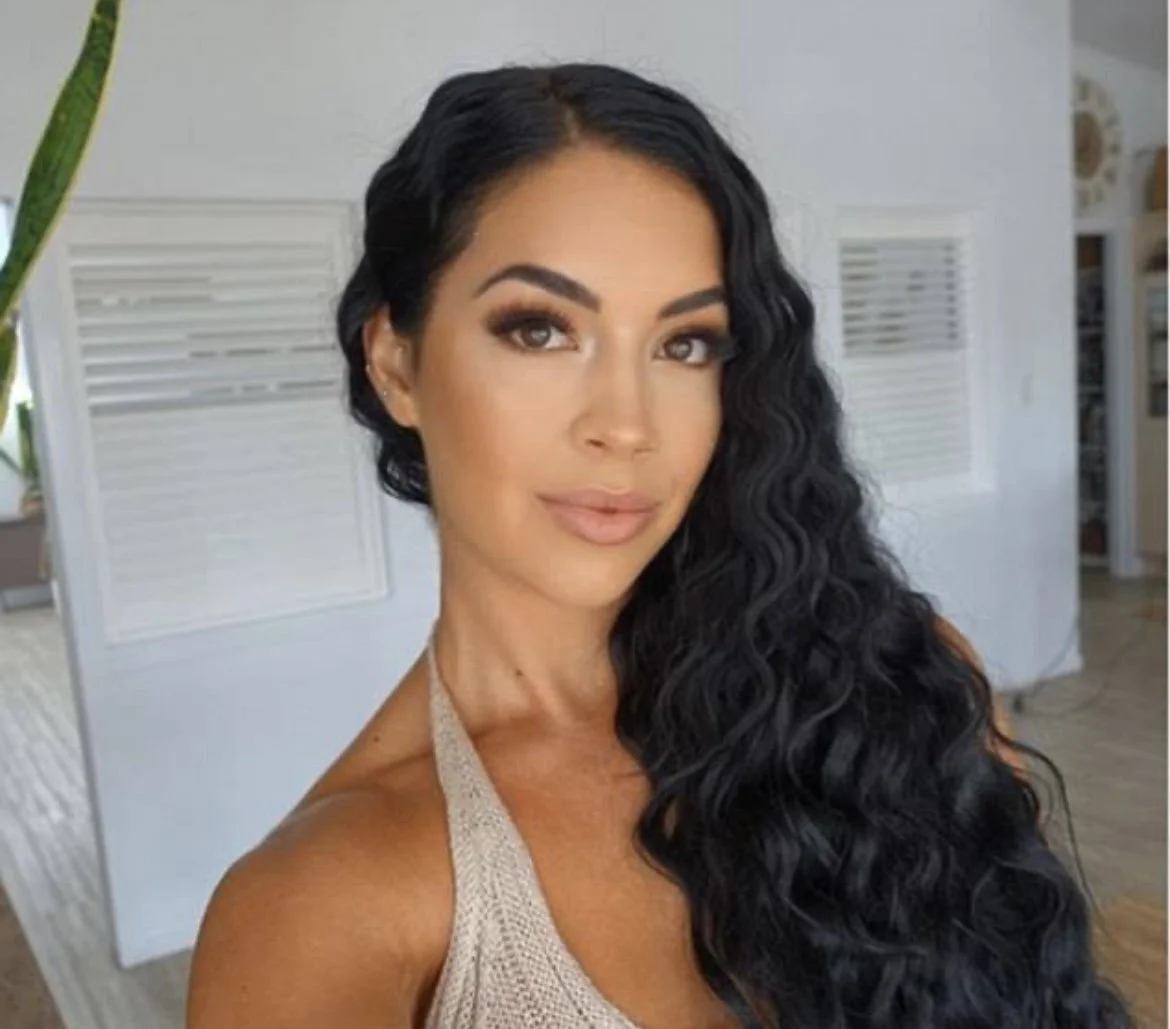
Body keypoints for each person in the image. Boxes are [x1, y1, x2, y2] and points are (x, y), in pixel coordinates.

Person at [187, 63, 1130, 1029]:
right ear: (395, 364)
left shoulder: (892, 696)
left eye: (684, 344)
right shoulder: (318, 906)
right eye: (540, 329)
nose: (626, 425)